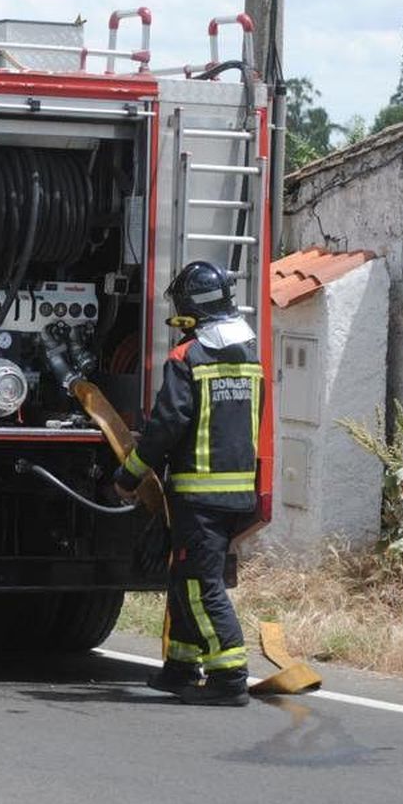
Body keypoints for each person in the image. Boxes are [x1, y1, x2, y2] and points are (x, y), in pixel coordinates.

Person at [114, 260, 263, 707]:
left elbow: (167, 424)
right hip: (236, 490)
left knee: (200, 583)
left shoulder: (187, 357)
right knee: (184, 574)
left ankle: (229, 675)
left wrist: (130, 473)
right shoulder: (249, 353)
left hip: (198, 492)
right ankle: (180, 666)